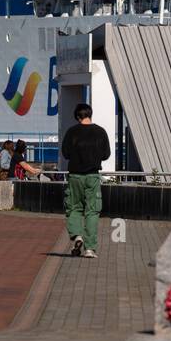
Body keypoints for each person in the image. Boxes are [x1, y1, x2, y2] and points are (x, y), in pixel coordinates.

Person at [61, 103, 110, 259]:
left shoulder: (71, 132)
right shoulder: (100, 132)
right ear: (90, 114)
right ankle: (90, 249)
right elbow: (106, 154)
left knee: (74, 208)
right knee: (92, 211)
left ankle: (77, 236)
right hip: (92, 176)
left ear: (77, 117)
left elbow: (66, 154)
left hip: (74, 176)